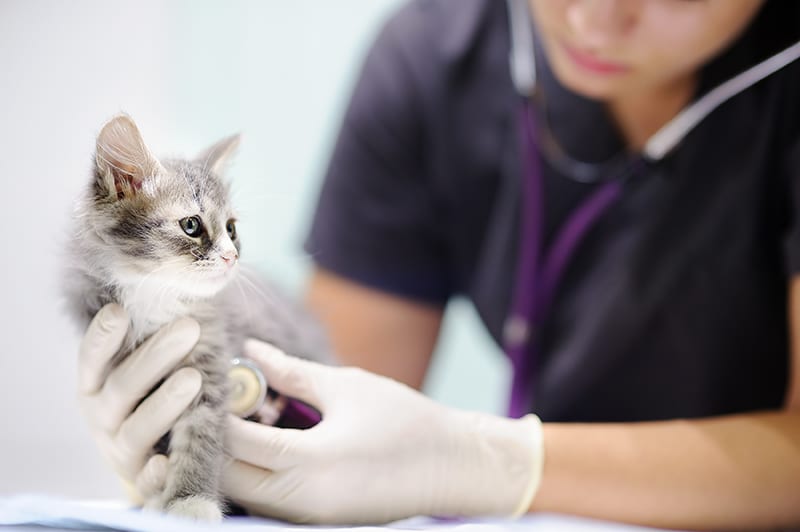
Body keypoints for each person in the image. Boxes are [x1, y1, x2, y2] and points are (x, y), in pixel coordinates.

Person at [77, 0, 800, 529]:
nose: (595, 20)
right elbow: (326, 410)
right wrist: (224, 443)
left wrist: (482, 461)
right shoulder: (431, 57)